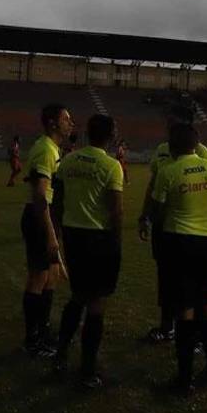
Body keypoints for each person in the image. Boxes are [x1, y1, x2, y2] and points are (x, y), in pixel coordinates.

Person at [148, 123, 207, 394]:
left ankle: (184, 379)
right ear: (197, 146)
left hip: (178, 243)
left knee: (184, 311)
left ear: (172, 147)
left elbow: (158, 215)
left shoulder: (168, 171)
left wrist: (160, 244)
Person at [51, 114, 124, 388]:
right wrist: (117, 243)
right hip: (99, 238)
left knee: (78, 296)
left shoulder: (67, 161)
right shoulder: (111, 165)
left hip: (73, 235)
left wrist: (57, 235)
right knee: (96, 303)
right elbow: (115, 209)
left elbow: (56, 203)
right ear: (110, 135)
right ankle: (88, 369)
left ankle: (60, 354)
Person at [138, 109, 207, 343]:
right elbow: (153, 184)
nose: (168, 129)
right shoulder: (162, 150)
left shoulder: (200, 151)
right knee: (166, 276)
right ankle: (166, 326)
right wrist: (145, 215)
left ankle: (198, 333)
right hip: (164, 226)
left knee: (195, 284)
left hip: (190, 228)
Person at [20, 104, 75, 357]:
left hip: (48, 215)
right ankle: (33, 340)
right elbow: (40, 196)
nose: (70, 123)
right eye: (66, 119)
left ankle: (43, 331)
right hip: (40, 216)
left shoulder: (53, 148)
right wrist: (51, 235)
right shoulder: (44, 149)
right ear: (53, 123)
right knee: (38, 278)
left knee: (52, 275)